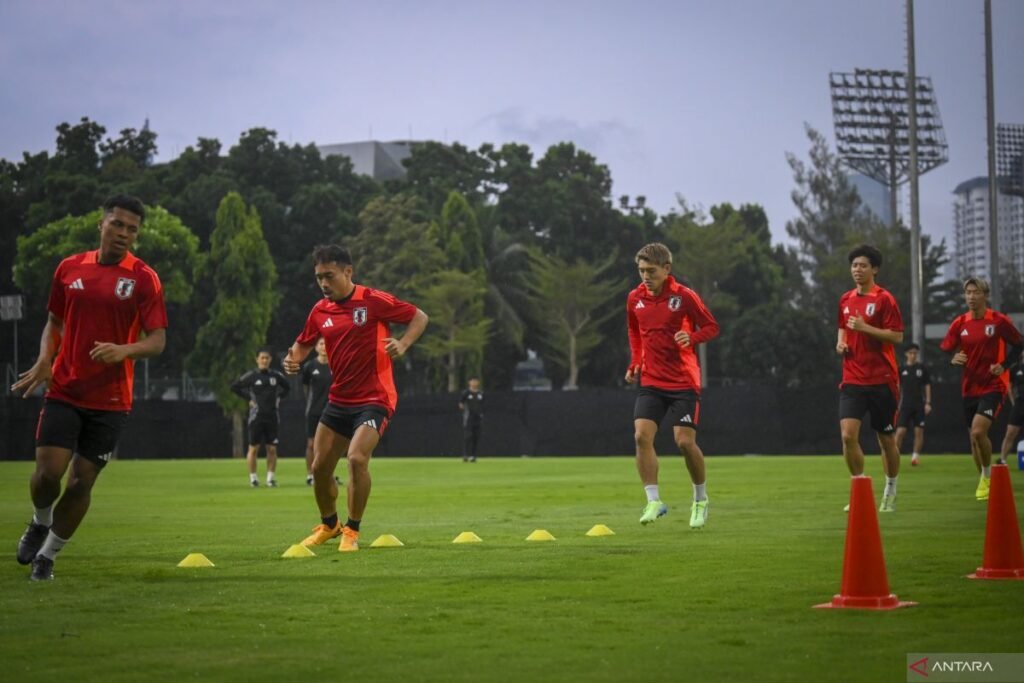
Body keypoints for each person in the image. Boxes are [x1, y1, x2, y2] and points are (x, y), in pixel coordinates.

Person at [10, 195, 167, 581]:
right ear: (101, 224)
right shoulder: (69, 268)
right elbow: (54, 322)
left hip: (111, 400)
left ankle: (48, 556)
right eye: (117, 224)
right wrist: (46, 359)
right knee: (48, 475)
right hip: (65, 389)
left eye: (132, 229)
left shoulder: (144, 278)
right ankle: (39, 521)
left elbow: (158, 340)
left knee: (81, 481)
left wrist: (124, 350)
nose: (124, 233)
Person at [283, 244, 428, 553]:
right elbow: (302, 344)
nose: (323, 283)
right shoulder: (320, 310)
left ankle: (352, 529)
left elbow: (419, 316)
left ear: (348, 272)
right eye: (319, 277)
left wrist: (403, 344)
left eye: (329, 276)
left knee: (356, 458)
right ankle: (329, 524)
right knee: (320, 467)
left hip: (376, 397)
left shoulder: (372, 300)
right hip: (340, 399)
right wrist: (292, 359)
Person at [625, 242, 719, 529]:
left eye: (651, 271)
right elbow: (635, 332)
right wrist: (635, 362)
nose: (645, 276)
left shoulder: (684, 296)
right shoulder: (634, 299)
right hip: (651, 380)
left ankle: (700, 500)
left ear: (667, 269)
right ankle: (654, 500)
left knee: (684, 442)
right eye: (641, 271)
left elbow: (711, 327)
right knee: (642, 436)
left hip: (683, 381)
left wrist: (691, 338)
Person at [939, 277, 1022, 500]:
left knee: (978, 431)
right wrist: (953, 358)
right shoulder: (960, 323)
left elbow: (1020, 344)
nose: (971, 297)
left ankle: (987, 476)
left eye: (976, 292)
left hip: (994, 385)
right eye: (968, 293)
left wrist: (1003, 366)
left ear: (985, 295)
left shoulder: (998, 321)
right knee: (974, 440)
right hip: (969, 387)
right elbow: (946, 348)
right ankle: (984, 480)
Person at [836, 244, 904, 512]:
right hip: (853, 378)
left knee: (886, 440)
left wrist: (866, 328)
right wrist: (840, 344)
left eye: (863, 265)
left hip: (882, 380)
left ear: (874, 269)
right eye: (854, 265)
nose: (857, 269)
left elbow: (897, 336)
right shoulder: (845, 299)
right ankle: (859, 490)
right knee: (847, 436)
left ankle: (890, 488)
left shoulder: (885, 299)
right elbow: (842, 329)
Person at [231, 348, 290, 487]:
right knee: (254, 448)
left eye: (267, 358)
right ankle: (253, 479)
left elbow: (287, 388)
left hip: (272, 417)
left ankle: (270, 479)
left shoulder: (276, 376)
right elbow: (234, 387)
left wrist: (279, 397)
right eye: (262, 358)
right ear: (257, 359)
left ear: (270, 360)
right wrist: (249, 399)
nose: (264, 360)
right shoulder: (251, 376)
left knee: (272, 449)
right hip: (256, 417)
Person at [301, 338, 333, 485]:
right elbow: (305, 387)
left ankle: (327, 474)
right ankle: (310, 475)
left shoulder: (336, 365)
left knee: (330, 445)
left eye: (327, 343)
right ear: (316, 347)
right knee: (311, 444)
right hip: (313, 411)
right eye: (321, 344)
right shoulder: (309, 366)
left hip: (332, 411)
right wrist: (311, 403)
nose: (324, 347)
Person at [895, 343, 932, 467]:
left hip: (919, 405)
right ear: (906, 354)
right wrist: (896, 402)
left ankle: (915, 457)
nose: (913, 355)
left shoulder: (922, 369)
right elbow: (897, 387)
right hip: (905, 405)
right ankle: (894, 456)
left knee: (918, 432)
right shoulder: (901, 369)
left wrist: (928, 402)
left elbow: (927, 385)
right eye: (911, 353)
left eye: (915, 353)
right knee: (900, 432)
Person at [997, 364, 1024, 466]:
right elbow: (1009, 386)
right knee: (1010, 433)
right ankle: (1002, 460)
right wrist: (1014, 402)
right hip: (1019, 404)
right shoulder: (1016, 368)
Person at [458, 377, 484, 462]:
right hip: (469, 418)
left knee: (476, 437)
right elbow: (460, 403)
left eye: (476, 381)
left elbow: (482, 404)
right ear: (469, 382)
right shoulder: (466, 393)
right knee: (467, 436)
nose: (474, 383)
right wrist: (465, 410)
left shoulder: (481, 393)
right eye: (473, 381)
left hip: (478, 418)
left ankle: (473, 455)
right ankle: (465, 455)